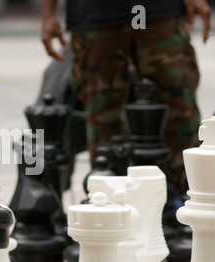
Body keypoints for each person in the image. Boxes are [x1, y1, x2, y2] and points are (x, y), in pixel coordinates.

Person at [41, 0, 211, 197]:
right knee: (103, 117)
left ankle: (189, 202)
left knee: (179, 111)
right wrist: (48, 15)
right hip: (95, 17)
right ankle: (109, 203)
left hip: (159, 12)